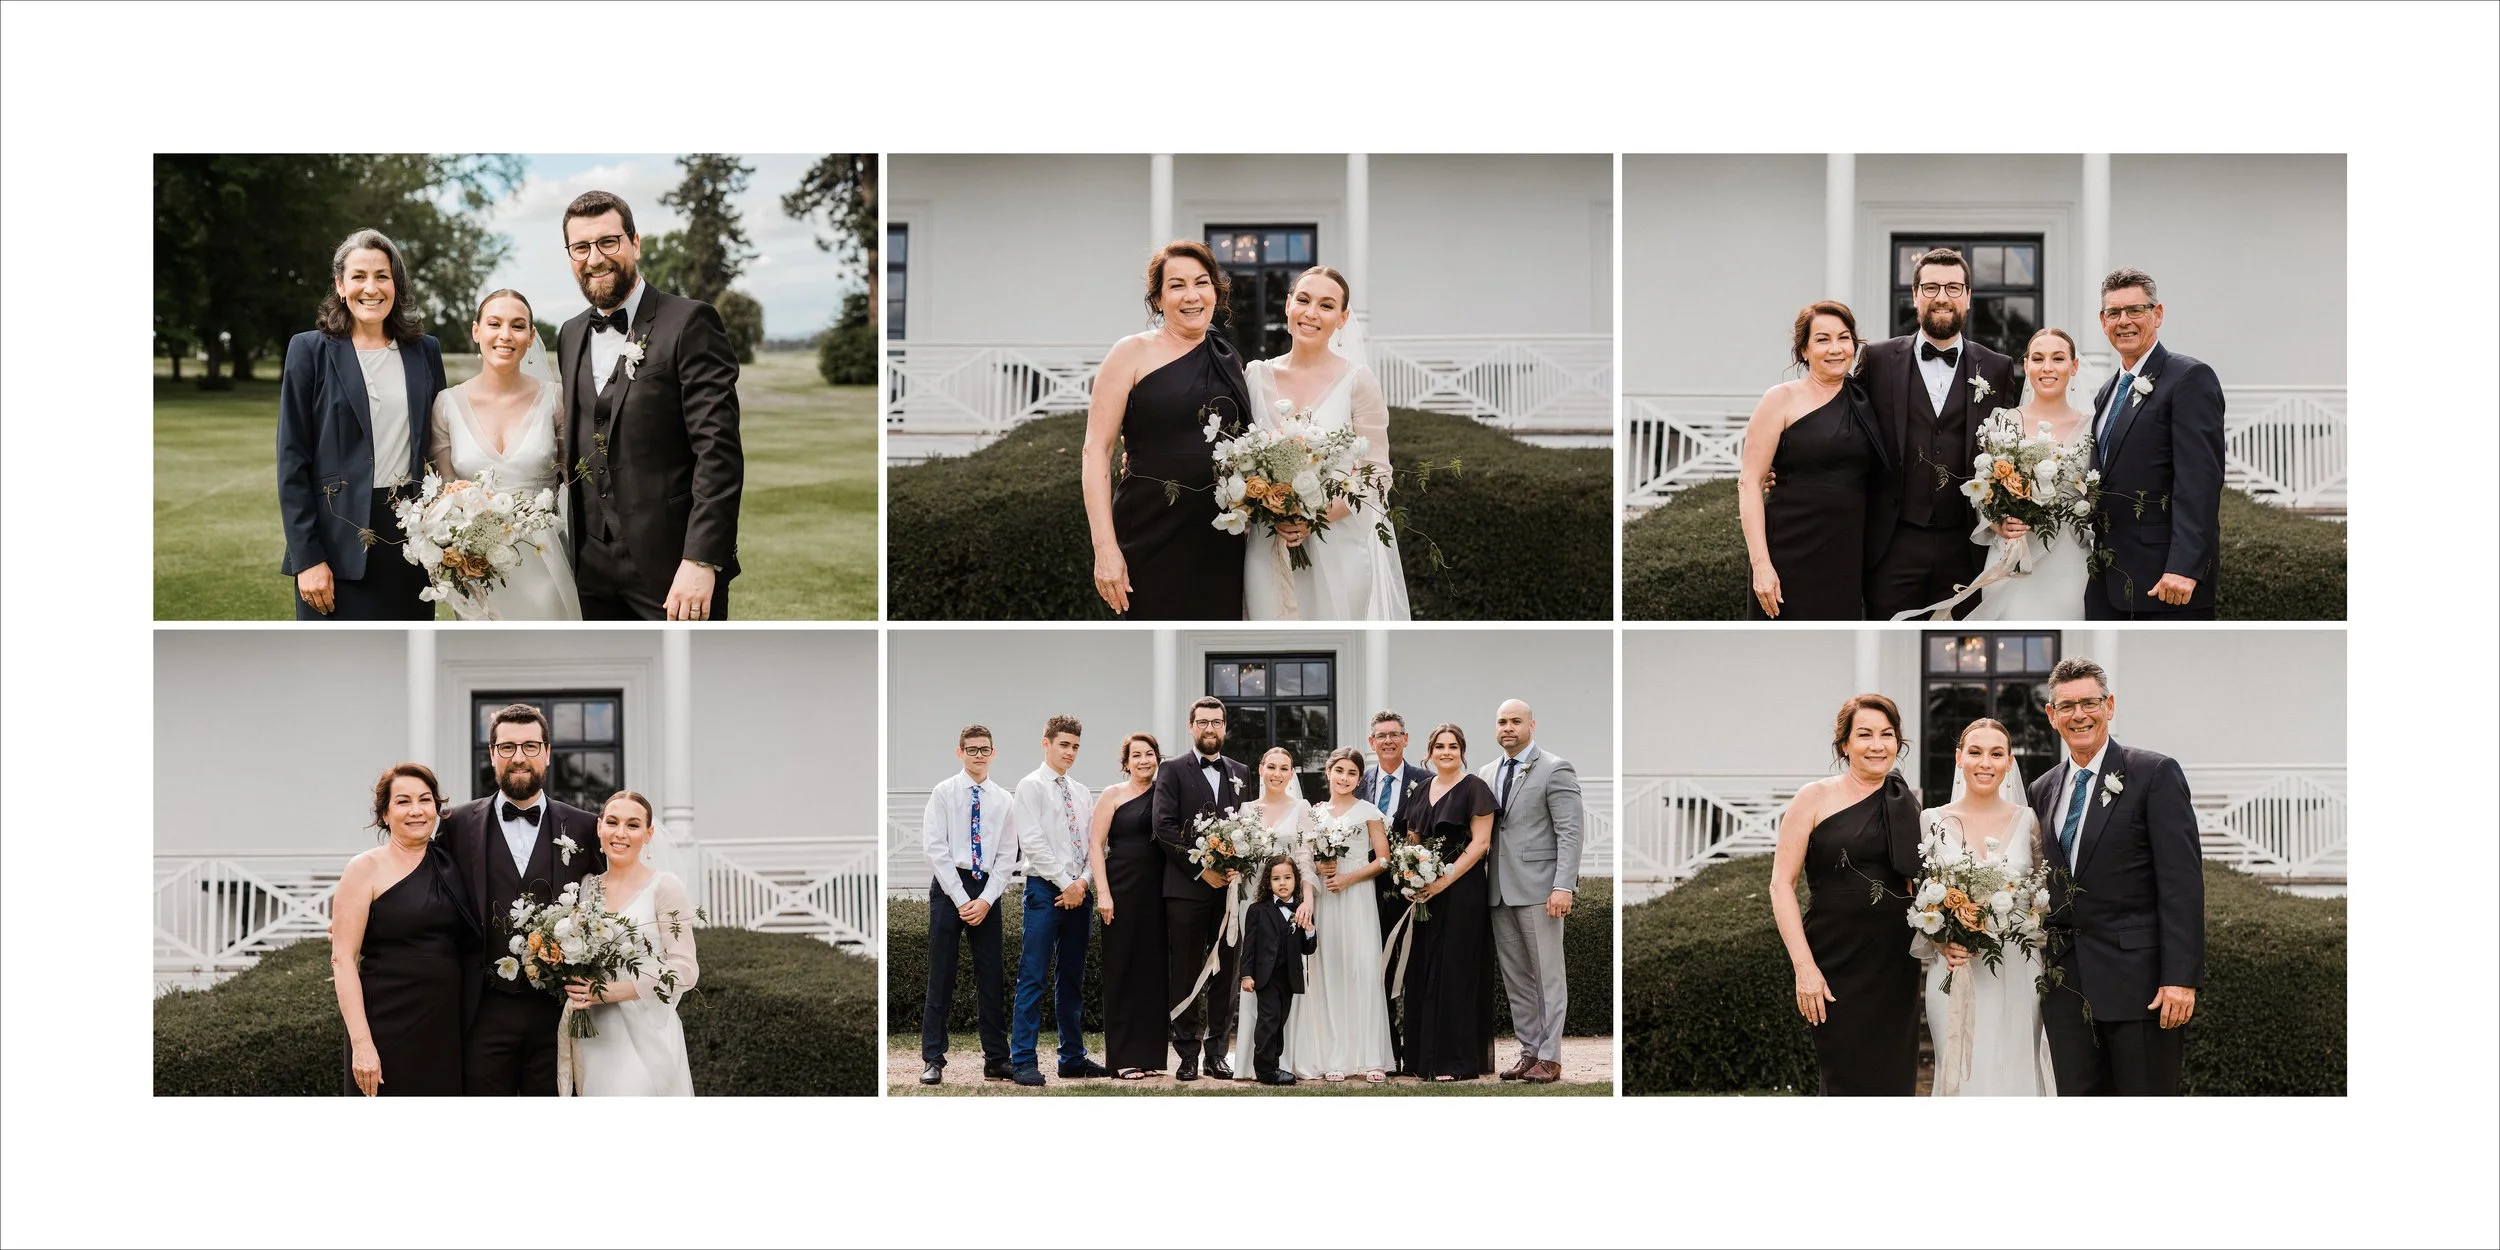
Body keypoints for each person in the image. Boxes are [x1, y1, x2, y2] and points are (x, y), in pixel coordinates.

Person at [2018, 658, 2205, 1094]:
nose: (2079, 714)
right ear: (2052, 715)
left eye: (2089, 703)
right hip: (2066, 987)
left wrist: (2180, 977)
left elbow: (2181, 883)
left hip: (2140, 985)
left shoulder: (2153, 773)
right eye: (2066, 706)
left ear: (2110, 706)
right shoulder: (2043, 788)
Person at [555, 190, 743, 622]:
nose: (595, 258)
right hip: (588, 567)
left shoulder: (690, 322)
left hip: (672, 565)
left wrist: (700, 560)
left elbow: (718, 452)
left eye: (608, 242)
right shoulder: (570, 334)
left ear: (635, 243)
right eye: (580, 247)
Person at [434, 704, 605, 1096]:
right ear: (492, 754)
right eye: (507, 747)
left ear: (547, 752)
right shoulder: (455, 825)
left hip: (558, 1009)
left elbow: (610, 898)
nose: (519, 758)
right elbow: (427, 891)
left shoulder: (582, 826)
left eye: (530, 746)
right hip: (482, 1007)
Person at [277, 228, 447, 620]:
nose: (371, 288)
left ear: (396, 284)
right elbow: (292, 462)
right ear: (340, 285)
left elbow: (438, 446)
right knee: (335, 672)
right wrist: (307, 558)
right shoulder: (308, 351)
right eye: (358, 276)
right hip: (335, 546)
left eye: (382, 276)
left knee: (408, 666)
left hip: (412, 541)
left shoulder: (426, 351)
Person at [1084, 240, 1254, 620]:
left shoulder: (1229, 359)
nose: (1191, 296)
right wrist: (1105, 549)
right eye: (1176, 285)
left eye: (1201, 283)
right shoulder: (1130, 353)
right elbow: (1096, 450)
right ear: (1158, 299)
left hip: (1220, 540)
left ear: (1215, 291)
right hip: (1149, 532)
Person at [1767, 694, 1923, 1095]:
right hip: (1834, 959)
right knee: (1843, 1080)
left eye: (1887, 735)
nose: (1877, 745)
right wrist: (1805, 969)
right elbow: (1781, 885)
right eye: (1865, 734)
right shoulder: (1813, 797)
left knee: (1893, 1082)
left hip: (1894, 964)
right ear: (1845, 745)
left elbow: (1915, 884)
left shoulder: (1906, 802)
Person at [1860, 248, 2023, 620]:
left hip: (1967, 542)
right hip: (1892, 541)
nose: (1942, 297)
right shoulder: (1878, 360)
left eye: (1953, 287)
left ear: (1967, 296)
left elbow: (2014, 444)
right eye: (1931, 287)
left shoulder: (1997, 368)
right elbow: (1847, 423)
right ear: (1915, 295)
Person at [1243, 266, 1411, 621]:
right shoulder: (1255, 375)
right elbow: (1237, 451)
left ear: (1342, 318)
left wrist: (1312, 516)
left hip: (1334, 542)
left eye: (1326, 305)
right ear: (1288, 305)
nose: (1311, 313)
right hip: (1268, 544)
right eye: (1303, 300)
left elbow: (1376, 472)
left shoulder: (1357, 380)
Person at [1917, 721, 2054, 1097]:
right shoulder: (1932, 819)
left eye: (1996, 754)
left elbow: (2042, 897)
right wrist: (1941, 940)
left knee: (2015, 1069)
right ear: (1959, 757)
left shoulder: (2029, 821)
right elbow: (1921, 897)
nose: (1985, 762)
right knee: (1961, 1071)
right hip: (1956, 969)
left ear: (2009, 762)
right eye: (1975, 752)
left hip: (2015, 965)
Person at [427, 288, 581, 620]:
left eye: (517, 325)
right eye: (494, 323)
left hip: (545, 563)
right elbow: (445, 494)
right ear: (476, 331)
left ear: (531, 336)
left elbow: (579, 481)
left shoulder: (556, 400)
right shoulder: (446, 405)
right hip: (477, 572)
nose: (505, 335)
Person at [2084, 268, 2226, 619]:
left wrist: (2184, 567)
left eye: (2136, 310)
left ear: (2157, 314)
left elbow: (2200, 483)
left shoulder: (2189, 378)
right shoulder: (2107, 391)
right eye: (2114, 313)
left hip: (2166, 582)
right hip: (2107, 579)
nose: (2124, 321)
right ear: (2103, 322)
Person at [330, 764, 472, 1096]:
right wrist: (362, 1043)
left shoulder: (454, 863)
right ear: (384, 813)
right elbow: (342, 959)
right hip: (385, 1022)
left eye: (425, 800)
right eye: (403, 801)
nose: (416, 811)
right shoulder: (364, 868)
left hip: (445, 1025)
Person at [1741, 301, 1887, 620]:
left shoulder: (1868, 399)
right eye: (1822, 339)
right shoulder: (1780, 399)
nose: (1835, 349)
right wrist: (1762, 566)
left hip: (1845, 557)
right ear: (1804, 350)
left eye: (1843, 337)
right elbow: (1749, 482)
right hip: (1787, 551)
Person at [561, 791, 698, 1096]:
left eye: (633, 825)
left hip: (646, 1032)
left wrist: (615, 991)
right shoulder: (587, 887)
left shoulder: (665, 887)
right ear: (599, 828)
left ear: (648, 834)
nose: (620, 833)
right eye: (612, 822)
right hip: (594, 1033)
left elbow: (685, 970)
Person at [1150, 696, 1257, 1081]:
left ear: (1225, 727)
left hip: (1229, 892)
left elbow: (1248, 827)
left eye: (1217, 722)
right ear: (1191, 727)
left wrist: (1235, 867)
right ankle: (1187, 1053)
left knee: (1226, 972)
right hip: (1186, 889)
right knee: (1186, 970)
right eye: (1202, 722)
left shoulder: (1241, 770)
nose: (1210, 729)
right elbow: (1163, 827)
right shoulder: (1172, 769)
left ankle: (1217, 1051)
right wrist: (1202, 871)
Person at [1481, 700, 1581, 1085]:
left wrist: (1563, 885)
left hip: (1541, 891)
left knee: (1548, 976)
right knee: (1516, 978)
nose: (1508, 728)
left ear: (1532, 725)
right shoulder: (1487, 772)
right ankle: (1529, 1052)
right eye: (1502, 721)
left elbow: (1570, 833)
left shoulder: (1555, 768)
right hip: (1498, 891)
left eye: (1516, 721)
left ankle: (1551, 1058)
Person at [1966, 328, 2095, 621]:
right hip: (2011, 559)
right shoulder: (2002, 421)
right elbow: (1984, 491)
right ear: (2026, 366)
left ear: (2073, 367)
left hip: (2067, 563)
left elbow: (2098, 493)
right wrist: (1998, 522)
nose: (2047, 367)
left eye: (2058, 358)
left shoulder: (2092, 428)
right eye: (2038, 358)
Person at [1006, 716, 1106, 1086]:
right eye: (1064, 745)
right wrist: (1067, 884)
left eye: (1076, 746)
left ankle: (1072, 1058)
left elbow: (1093, 845)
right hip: (1045, 891)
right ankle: (1023, 1060)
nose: (1071, 752)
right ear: (1046, 743)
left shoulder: (1081, 792)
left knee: (1072, 979)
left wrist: (1082, 882)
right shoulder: (1029, 787)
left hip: (1079, 890)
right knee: (1033, 975)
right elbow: (1032, 843)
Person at [917, 725, 1020, 1085]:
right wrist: (962, 900)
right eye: (972, 749)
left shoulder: (1004, 800)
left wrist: (987, 899)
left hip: (987, 888)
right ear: (959, 752)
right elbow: (935, 847)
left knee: (991, 976)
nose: (978, 755)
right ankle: (933, 1059)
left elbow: (1008, 855)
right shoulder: (944, 792)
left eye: (984, 749)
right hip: (950, 887)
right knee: (941, 974)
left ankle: (996, 1058)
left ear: (993, 753)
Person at [1399, 723, 1498, 1081]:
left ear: (1462, 751)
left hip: (1462, 891)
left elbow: (1480, 844)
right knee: (1424, 968)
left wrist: (1443, 881)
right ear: (1429, 752)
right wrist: (1410, 876)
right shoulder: (1422, 789)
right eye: (1439, 746)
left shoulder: (1475, 789)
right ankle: (1421, 1058)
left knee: (1456, 971)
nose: (1446, 752)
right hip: (1426, 893)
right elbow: (1412, 840)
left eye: (1452, 746)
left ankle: (1455, 1061)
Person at [1299, 747, 1395, 1082]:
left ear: (1359, 778)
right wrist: (1322, 867)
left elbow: (1384, 859)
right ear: (1328, 772)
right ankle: (1334, 1056)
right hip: (1325, 898)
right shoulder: (1314, 814)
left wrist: (1349, 877)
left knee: (1363, 969)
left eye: (1352, 773)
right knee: (1330, 971)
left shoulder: (1368, 811)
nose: (1344, 778)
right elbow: (1305, 858)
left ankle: (1370, 1057)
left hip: (1357, 896)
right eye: (1339, 771)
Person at [1227, 747, 1315, 1078]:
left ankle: (1284, 1059)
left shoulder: (1302, 809)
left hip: (1290, 899)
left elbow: (1305, 859)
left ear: (1292, 774)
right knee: (1257, 969)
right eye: (1271, 767)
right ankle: (1255, 1061)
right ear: (1260, 770)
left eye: (1284, 768)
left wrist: (1306, 901)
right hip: (1255, 899)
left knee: (1283, 974)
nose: (1277, 773)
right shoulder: (1247, 809)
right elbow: (1239, 855)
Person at [1087, 732, 1168, 1080]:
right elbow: (1095, 844)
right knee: (1121, 972)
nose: (1144, 761)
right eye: (1136, 755)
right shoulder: (1112, 795)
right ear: (1126, 762)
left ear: (1157, 758)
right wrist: (1103, 893)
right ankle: (1122, 1058)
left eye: (1149, 754)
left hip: (1158, 894)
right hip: (1120, 891)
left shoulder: (1165, 795)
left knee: (1152, 975)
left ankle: (1149, 1055)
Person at [1360, 710, 1431, 1073]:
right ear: (1371, 743)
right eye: (1381, 735)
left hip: (1413, 890)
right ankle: (1387, 1050)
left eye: (1394, 734)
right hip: (1367, 890)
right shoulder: (1360, 781)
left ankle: (1418, 1049)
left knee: (1414, 967)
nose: (1388, 740)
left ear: (1406, 739)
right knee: (1378, 968)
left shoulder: (1426, 780)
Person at [1239, 855, 1318, 1087]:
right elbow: (1249, 947)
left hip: (1289, 977)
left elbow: (1308, 949)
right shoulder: (1257, 910)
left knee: (1280, 1021)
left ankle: (1273, 1064)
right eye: (1276, 879)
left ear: (1296, 880)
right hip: (1266, 977)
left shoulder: (1302, 911)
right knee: (1268, 1020)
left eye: (1287, 877)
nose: (1282, 883)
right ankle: (1264, 1069)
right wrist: (1246, 974)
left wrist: (1310, 929)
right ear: (1268, 882)